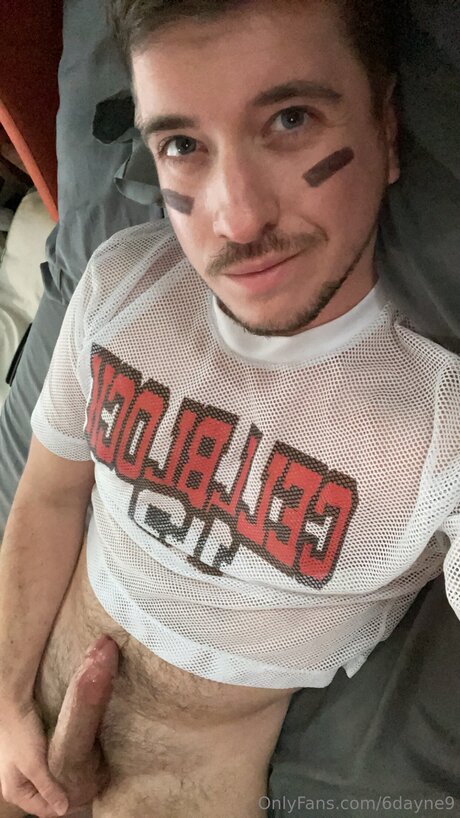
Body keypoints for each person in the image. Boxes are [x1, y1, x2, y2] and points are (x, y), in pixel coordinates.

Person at [0, 1, 459, 817]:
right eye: (182, 145)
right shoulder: (120, 283)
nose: (238, 218)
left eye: (291, 119)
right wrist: (3, 701)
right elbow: (51, 493)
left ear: (388, 129)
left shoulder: (437, 427)